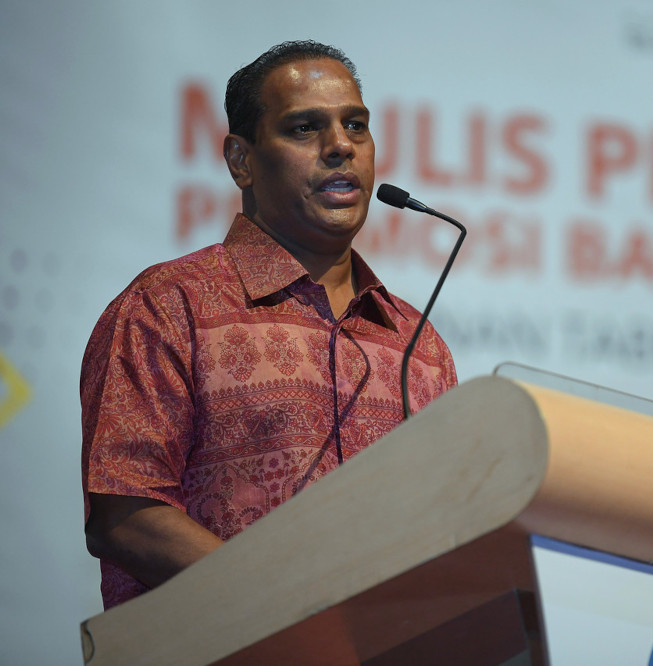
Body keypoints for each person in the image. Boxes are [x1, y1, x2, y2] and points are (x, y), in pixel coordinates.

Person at [81, 41, 457, 610]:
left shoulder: (418, 346)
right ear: (241, 161)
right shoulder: (168, 307)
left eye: (356, 125)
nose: (340, 147)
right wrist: (288, 608)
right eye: (305, 128)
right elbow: (126, 514)